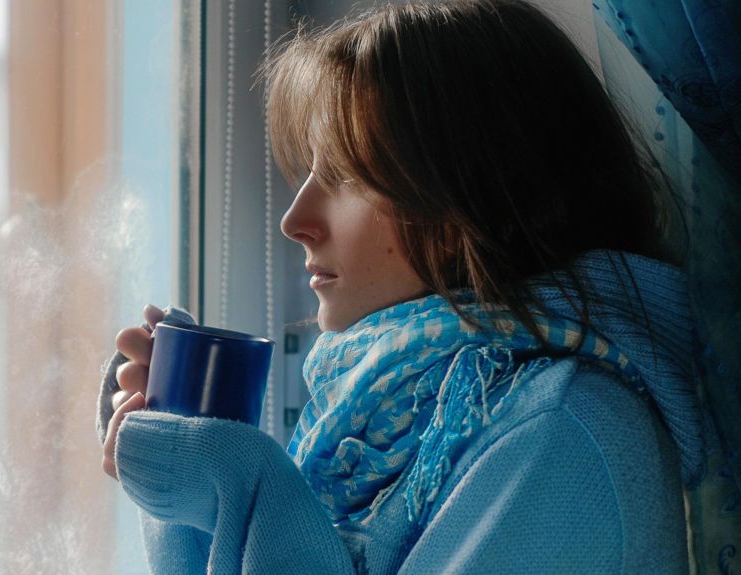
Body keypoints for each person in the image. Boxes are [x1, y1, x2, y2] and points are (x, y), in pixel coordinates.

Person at [96, 0, 702, 572]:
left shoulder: (561, 436)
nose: (295, 221)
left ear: (464, 203)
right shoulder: (392, 423)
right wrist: (189, 474)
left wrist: (240, 483)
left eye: (344, 176)